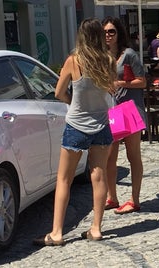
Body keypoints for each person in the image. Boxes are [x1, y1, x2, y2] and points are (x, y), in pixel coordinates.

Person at [33, 18, 116, 246]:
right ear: (100, 35)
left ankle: (57, 232)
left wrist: (73, 103)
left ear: (81, 36)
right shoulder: (109, 61)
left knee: (64, 179)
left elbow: (59, 92)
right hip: (101, 125)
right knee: (98, 177)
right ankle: (96, 228)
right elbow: (110, 91)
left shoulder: (73, 61)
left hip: (77, 125)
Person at [102, 17, 148, 215]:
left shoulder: (129, 55)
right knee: (109, 157)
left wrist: (121, 84)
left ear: (119, 33)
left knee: (132, 155)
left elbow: (142, 81)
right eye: (104, 32)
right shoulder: (102, 56)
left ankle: (134, 199)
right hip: (111, 110)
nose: (108, 35)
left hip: (130, 109)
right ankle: (112, 197)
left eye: (111, 31)